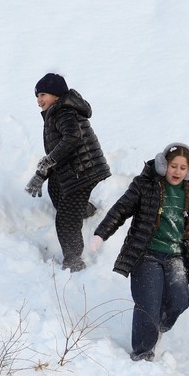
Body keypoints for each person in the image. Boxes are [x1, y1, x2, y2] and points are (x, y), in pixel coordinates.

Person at [89, 143, 189, 361]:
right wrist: (101, 234)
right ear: (164, 165)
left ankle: (157, 327)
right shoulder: (145, 185)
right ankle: (143, 353)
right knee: (148, 305)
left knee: (180, 300)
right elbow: (120, 210)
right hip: (146, 254)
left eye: (183, 168)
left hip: (176, 256)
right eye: (173, 166)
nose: (177, 172)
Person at [25, 73, 111, 272]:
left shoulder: (63, 112)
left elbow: (73, 137)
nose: (38, 100)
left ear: (56, 94)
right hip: (74, 169)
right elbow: (58, 151)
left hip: (84, 171)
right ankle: (85, 210)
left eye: (42, 94)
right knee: (55, 187)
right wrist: (42, 174)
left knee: (65, 219)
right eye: (36, 96)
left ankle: (74, 261)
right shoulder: (57, 112)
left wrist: (48, 162)